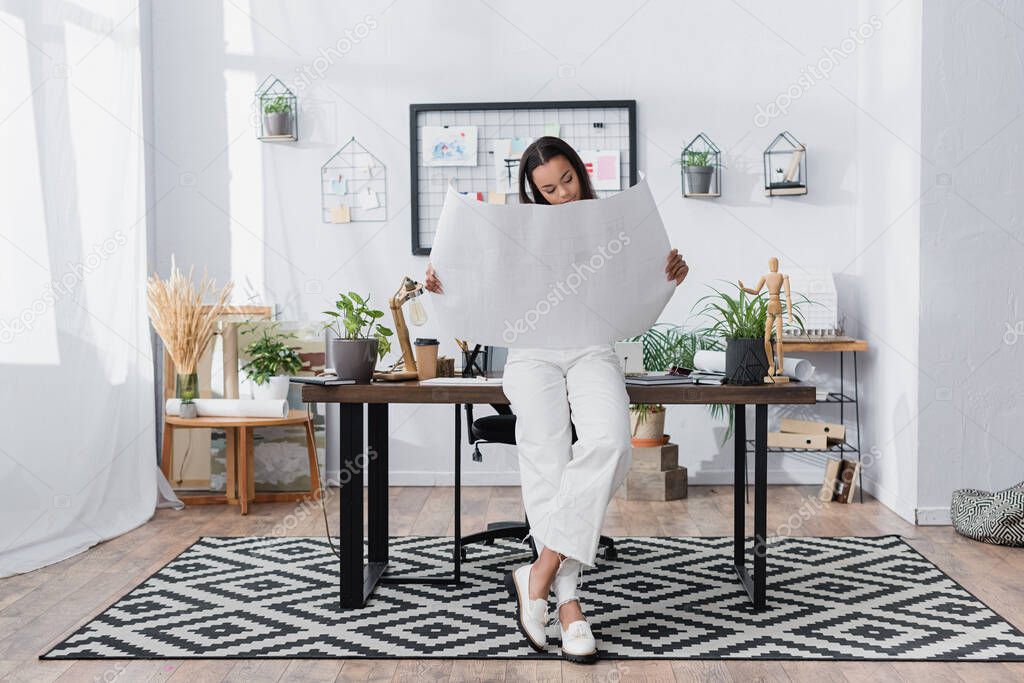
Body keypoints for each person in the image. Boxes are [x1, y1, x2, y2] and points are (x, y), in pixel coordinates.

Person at [425, 137, 688, 663]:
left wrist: (669, 275)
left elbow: (636, 286)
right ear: (533, 192)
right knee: (547, 456)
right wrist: (440, 283)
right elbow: (479, 281)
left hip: (591, 348)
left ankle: (539, 572)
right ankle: (569, 607)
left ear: (581, 172)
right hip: (532, 353)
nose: (561, 194)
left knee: (612, 442)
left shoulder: (609, 224)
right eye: (548, 188)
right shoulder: (522, 231)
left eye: (567, 180)